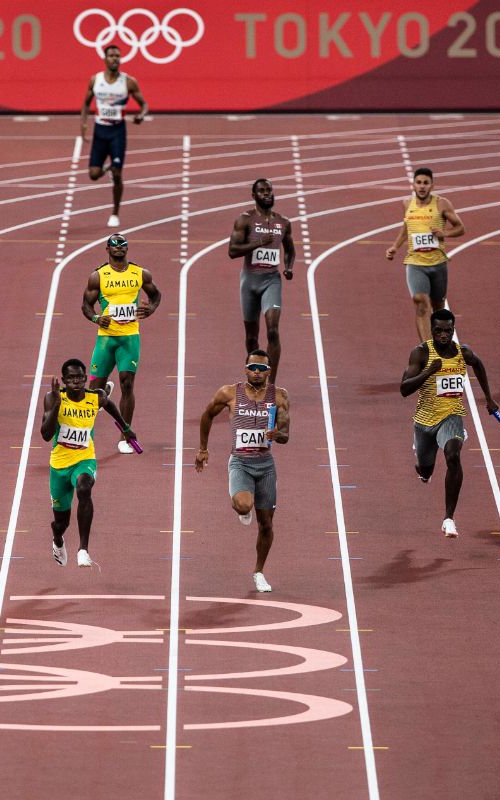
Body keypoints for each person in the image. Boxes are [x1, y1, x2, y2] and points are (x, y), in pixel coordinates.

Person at [194, 351, 289, 592]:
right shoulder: (228, 393)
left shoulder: (279, 397)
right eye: (253, 367)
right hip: (240, 462)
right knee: (244, 505)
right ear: (245, 369)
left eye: (262, 368)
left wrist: (276, 434)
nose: (257, 372)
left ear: (269, 371)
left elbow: (286, 434)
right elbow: (207, 416)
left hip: (266, 465)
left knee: (266, 524)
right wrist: (203, 449)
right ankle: (243, 506)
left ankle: (258, 572)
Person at [399, 309, 498, 538]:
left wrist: (489, 398)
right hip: (424, 422)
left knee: (453, 455)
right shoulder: (421, 353)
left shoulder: (462, 353)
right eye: (439, 330)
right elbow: (404, 389)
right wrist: (428, 372)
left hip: (451, 416)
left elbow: (478, 364)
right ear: (431, 330)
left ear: (453, 330)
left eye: (448, 330)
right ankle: (424, 468)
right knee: (426, 468)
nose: (444, 335)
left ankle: (448, 518)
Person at [40, 358, 135, 568]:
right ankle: (57, 540)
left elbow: (110, 407)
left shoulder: (96, 397)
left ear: (85, 379)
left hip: (84, 459)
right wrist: (56, 406)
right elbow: (46, 435)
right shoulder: (53, 397)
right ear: (64, 380)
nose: (76, 381)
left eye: (80, 377)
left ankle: (83, 549)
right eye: (71, 378)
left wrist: (126, 429)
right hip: (59, 465)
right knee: (60, 523)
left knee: (84, 487)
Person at [81, 233, 161, 452]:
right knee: (92, 391)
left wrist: (151, 309)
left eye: (122, 245)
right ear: (107, 249)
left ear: (127, 249)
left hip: (129, 338)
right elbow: (86, 306)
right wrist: (97, 318)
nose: (118, 248)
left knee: (127, 384)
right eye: (114, 246)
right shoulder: (98, 276)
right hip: (106, 340)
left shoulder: (140, 273)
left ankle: (125, 436)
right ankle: (86, 432)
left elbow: (156, 295)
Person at [385, 167, 466, 342]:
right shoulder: (407, 204)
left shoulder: (442, 204)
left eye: (426, 183)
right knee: (421, 302)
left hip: (438, 264)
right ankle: (427, 348)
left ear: (432, 185)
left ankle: (440, 343)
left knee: (438, 309)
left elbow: (460, 228)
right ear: (413, 185)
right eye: (419, 183)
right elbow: (407, 227)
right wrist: (395, 247)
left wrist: (445, 234)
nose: (422, 186)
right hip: (415, 263)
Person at [227, 178, 295, 378]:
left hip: (271, 280)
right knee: (251, 337)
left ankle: (270, 383)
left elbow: (290, 250)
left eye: (269, 190)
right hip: (249, 281)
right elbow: (232, 251)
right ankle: (255, 374)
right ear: (254, 196)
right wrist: (257, 244)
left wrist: (289, 267)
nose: (267, 194)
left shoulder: (283, 223)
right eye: (262, 191)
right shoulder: (245, 220)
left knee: (272, 330)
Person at [80, 44, 148, 228]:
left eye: (118, 56)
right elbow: (86, 103)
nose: (115, 59)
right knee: (93, 175)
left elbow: (144, 104)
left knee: (118, 174)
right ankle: (108, 167)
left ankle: (115, 213)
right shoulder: (96, 80)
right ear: (105, 58)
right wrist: (83, 124)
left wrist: (141, 115)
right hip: (100, 131)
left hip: (117, 132)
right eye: (111, 55)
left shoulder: (128, 82)